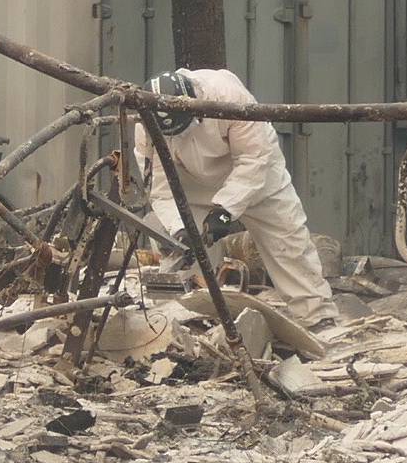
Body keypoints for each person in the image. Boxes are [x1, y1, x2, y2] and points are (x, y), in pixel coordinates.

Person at [142, 68, 339, 327]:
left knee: (288, 243)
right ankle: (189, 321)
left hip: (256, 176)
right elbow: (160, 187)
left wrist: (225, 210)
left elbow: (254, 158)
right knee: (182, 251)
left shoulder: (228, 96)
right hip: (191, 183)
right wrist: (179, 229)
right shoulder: (145, 122)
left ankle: (317, 316)